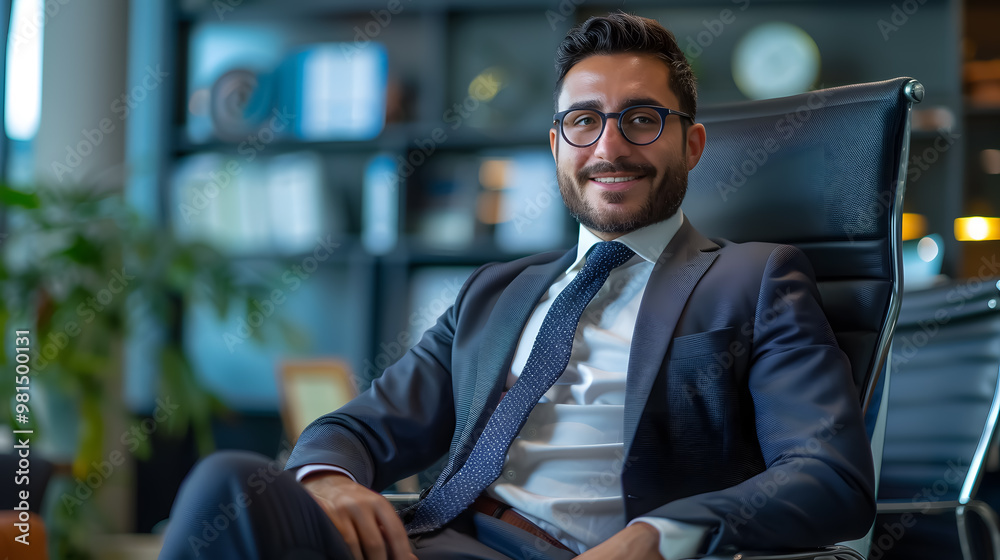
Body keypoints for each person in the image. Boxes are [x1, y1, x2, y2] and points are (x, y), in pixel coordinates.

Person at [159, 12, 875, 560]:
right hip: (433, 536)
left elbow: (829, 478)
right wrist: (330, 479)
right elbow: (355, 427)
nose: (610, 146)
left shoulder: (753, 279)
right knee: (232, 483)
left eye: (642, 119)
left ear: (690, 144)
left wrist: (661, 534)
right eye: (584, 122)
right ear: (558, 146)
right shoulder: (494, 292)